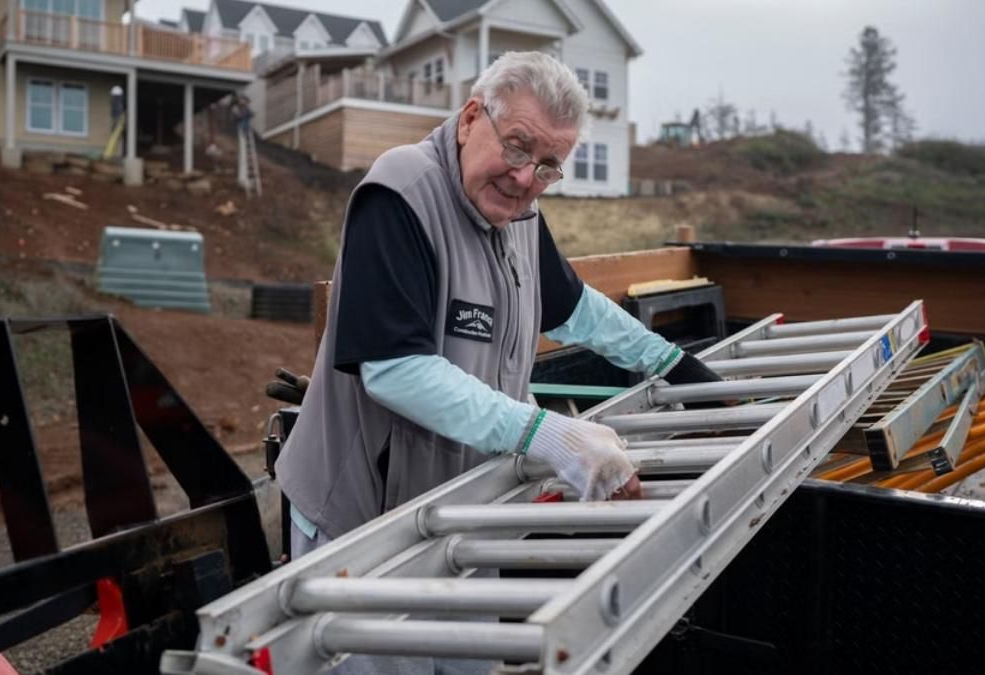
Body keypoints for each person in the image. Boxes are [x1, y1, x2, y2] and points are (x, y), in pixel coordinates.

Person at [275, 51, 721, 672]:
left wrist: (670, 361)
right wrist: (548, 435)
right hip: (364, 522)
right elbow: (395, 370)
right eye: (516, 148)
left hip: (462, 513)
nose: (525, 178)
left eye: (547, 166)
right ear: (469, 119)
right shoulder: (399, 192)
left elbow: (571, 307)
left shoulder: (519, 212)